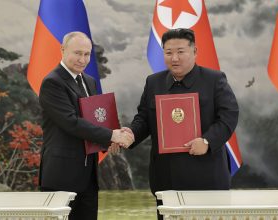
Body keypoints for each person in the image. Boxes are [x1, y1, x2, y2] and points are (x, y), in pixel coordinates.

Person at [123, 28, 239, 219]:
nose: (174, 58)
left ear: (194, 52)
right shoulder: (153, 82)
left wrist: (207, 141)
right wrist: (131, 135)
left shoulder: (214, 79)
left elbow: (229, 116)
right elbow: (144, 118)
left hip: (207, 175)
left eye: (180, 51)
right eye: (168, 53)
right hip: (166, 177)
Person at [38, 31, 133, 220]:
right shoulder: (52, 82)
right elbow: (71, 122)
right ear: (63, 50)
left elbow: (96, 120)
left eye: (87, 54)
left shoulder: (89, 81)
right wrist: (111, 135)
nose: (83, 59)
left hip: (88, 174)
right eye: (77, 53)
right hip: (61, 174)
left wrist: (111, 138)